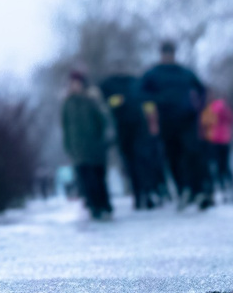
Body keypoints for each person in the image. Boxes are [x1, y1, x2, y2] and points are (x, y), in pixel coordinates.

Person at [141, 41, 212, 209]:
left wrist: (198, 108)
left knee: (192, 153)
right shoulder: (153, 74)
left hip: (186, 119)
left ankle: (199, 191)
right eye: (166, 53)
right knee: (173, 156)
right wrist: (153, 111)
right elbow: (141, 94)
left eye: (170, 52)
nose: (168, 56)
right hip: (166, 121)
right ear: (161, 54)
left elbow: (202, 90)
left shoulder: (183, 72)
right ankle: (183, 190)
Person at [99, 72, 163, 209]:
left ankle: (145, 194)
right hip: (129, 133)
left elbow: (149, 105)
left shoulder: (131, 86)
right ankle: (141, 195)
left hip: (136, 132)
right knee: (135, 165)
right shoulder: (130, 86)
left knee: (140, 165)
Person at [59, 69, 114, 221]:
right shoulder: (67, 104)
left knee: (98, 179)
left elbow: (102, 122)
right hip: (78, 150)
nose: (75, 86)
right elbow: (65, 127)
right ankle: (94, 207)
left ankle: (104, 206)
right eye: (72, 84)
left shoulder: (91, 100)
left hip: (95, 148)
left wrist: (102, 140)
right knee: (86, 181)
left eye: (77, 83)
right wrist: (68, 147)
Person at [201, 94, 233, 202]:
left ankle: (221, 189)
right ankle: (230, 188)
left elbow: (206, 122)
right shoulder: (226, 108)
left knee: (215, 166)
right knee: (225, 166)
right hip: (226, 140)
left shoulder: (210, 108)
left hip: (213, 140)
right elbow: (232, 120)